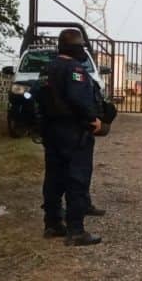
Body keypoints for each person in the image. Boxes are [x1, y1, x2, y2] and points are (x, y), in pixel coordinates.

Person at [37, 29, 103, 246]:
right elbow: (79, 99)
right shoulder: (74, 69)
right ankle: (76, 230)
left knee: (54, 177)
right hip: (73, 131)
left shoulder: (48, 68)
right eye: (81, 45)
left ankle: (53, 223)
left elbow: (39, 98)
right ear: (75, 47)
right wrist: (93, 119)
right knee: (77, 178)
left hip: (51, 130)